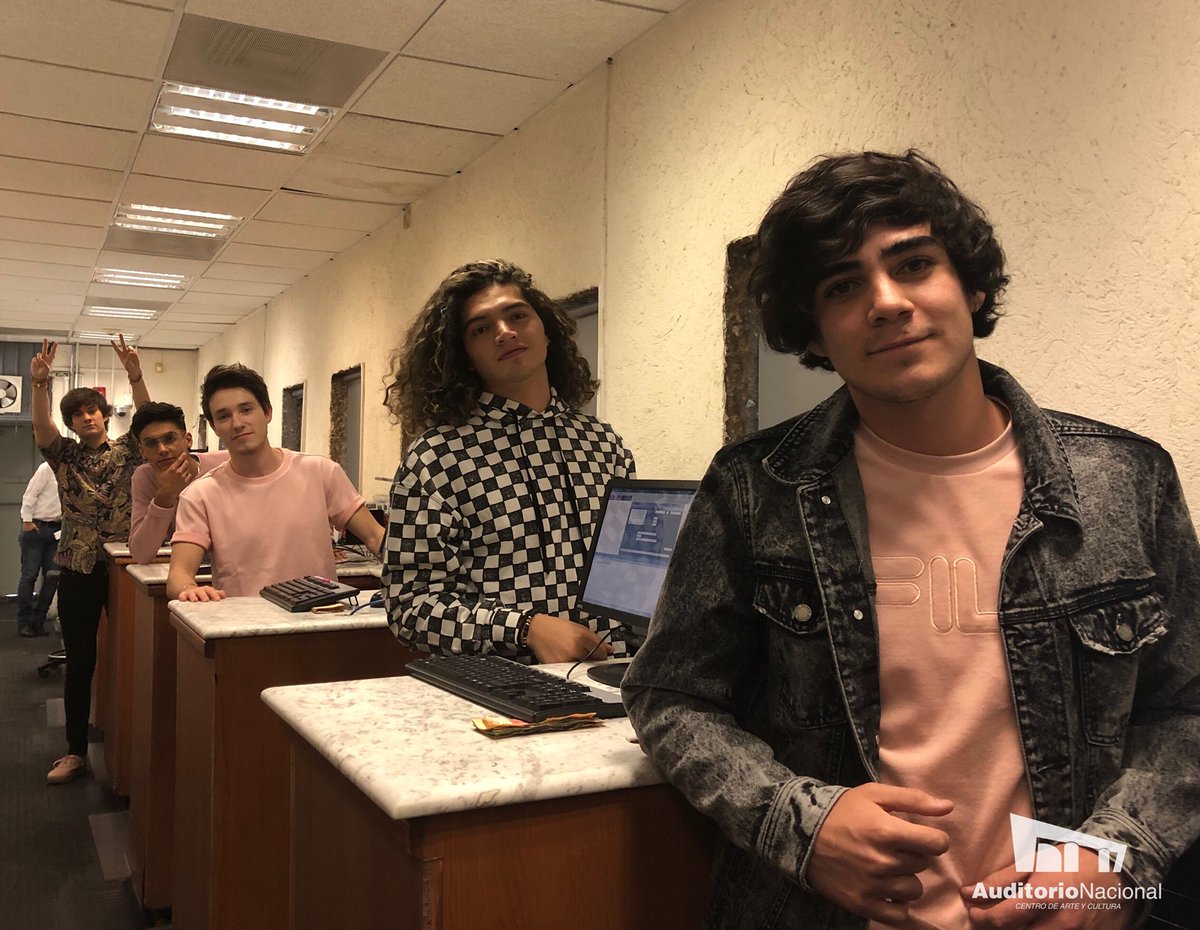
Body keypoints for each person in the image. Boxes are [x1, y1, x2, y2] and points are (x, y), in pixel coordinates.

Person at [622, 151, 1200, 930]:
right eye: (842, 286)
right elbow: (670, 695)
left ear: (971, 286)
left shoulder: (1125, 479)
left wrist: (1115, 863)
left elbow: (1186, 708)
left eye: (914, 264)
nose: (887, 303)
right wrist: (800, 824)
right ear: (815, 329)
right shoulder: (754, 489)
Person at [381, 259, 635, 664]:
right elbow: (411, 608)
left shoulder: (604, 445)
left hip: (610, 678)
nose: (504, 332)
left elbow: (627, 580)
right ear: (464, 355)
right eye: (481, 329)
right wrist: (525, 628)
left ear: (547, 332)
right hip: (499, 689)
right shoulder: (435, 459)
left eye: (517, 315)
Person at [31, 336, 151, 785]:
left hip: (126, 565)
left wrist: (135, 376)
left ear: (103, 414)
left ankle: (135, 747)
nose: (86, 417)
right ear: (73, 424)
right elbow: (42, 428)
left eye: (91, 411)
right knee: (81, 663)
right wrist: (38, 386)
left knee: (135, 657)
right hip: (79, 567)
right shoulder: (64, 456)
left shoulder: (128, 451)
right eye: (77, 415)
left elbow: (149, 419)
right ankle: (75, 751)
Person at [166, 364, 383, 601]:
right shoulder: (200, 495)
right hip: (246, 621)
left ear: (267, 412)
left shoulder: (321, 472)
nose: (237, 423)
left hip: (320, 617)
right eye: (224, 416)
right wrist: (189, 589)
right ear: (214, 427)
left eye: (246, 410)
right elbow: (179, 575)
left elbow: (375, 537)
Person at [127, 402, 228, 564]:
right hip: (191, 569)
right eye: (151, 443)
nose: (162, 449)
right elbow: (141, 554)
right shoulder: (145, 477)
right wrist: (164, 497)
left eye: (169, 439)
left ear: (188, 440)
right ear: (143, 451)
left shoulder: (224, 463)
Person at [17, 461, 61, 637]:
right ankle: (23, 623)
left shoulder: (71, 470)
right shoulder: (46, 468)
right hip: (36, 527)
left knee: (52, 577)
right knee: (29, 576)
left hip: (57, 530)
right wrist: (27, 520)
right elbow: (30, 494)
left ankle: (38, 621)